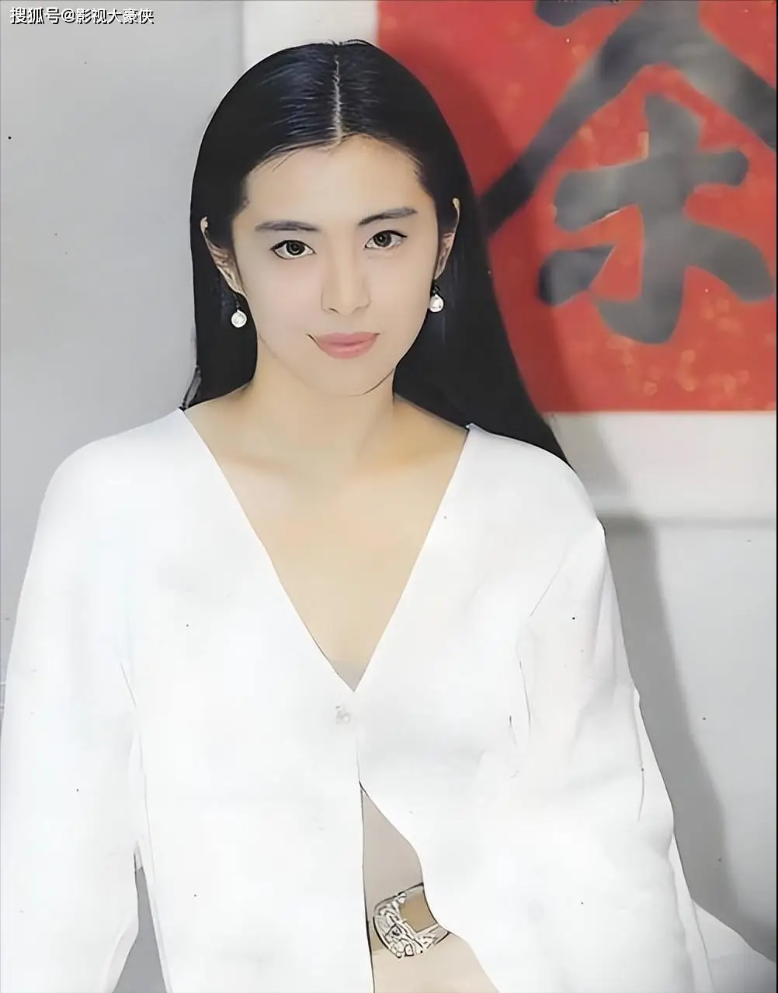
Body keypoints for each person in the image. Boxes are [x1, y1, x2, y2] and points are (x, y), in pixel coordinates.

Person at [0, 39, 772, 993]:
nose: (345, 294)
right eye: (293, 245)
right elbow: (47, 895)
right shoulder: (116, 504)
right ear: (224, 255)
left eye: (384, 238)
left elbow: (613, 854)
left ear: (443, 241)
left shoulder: (529, 505)